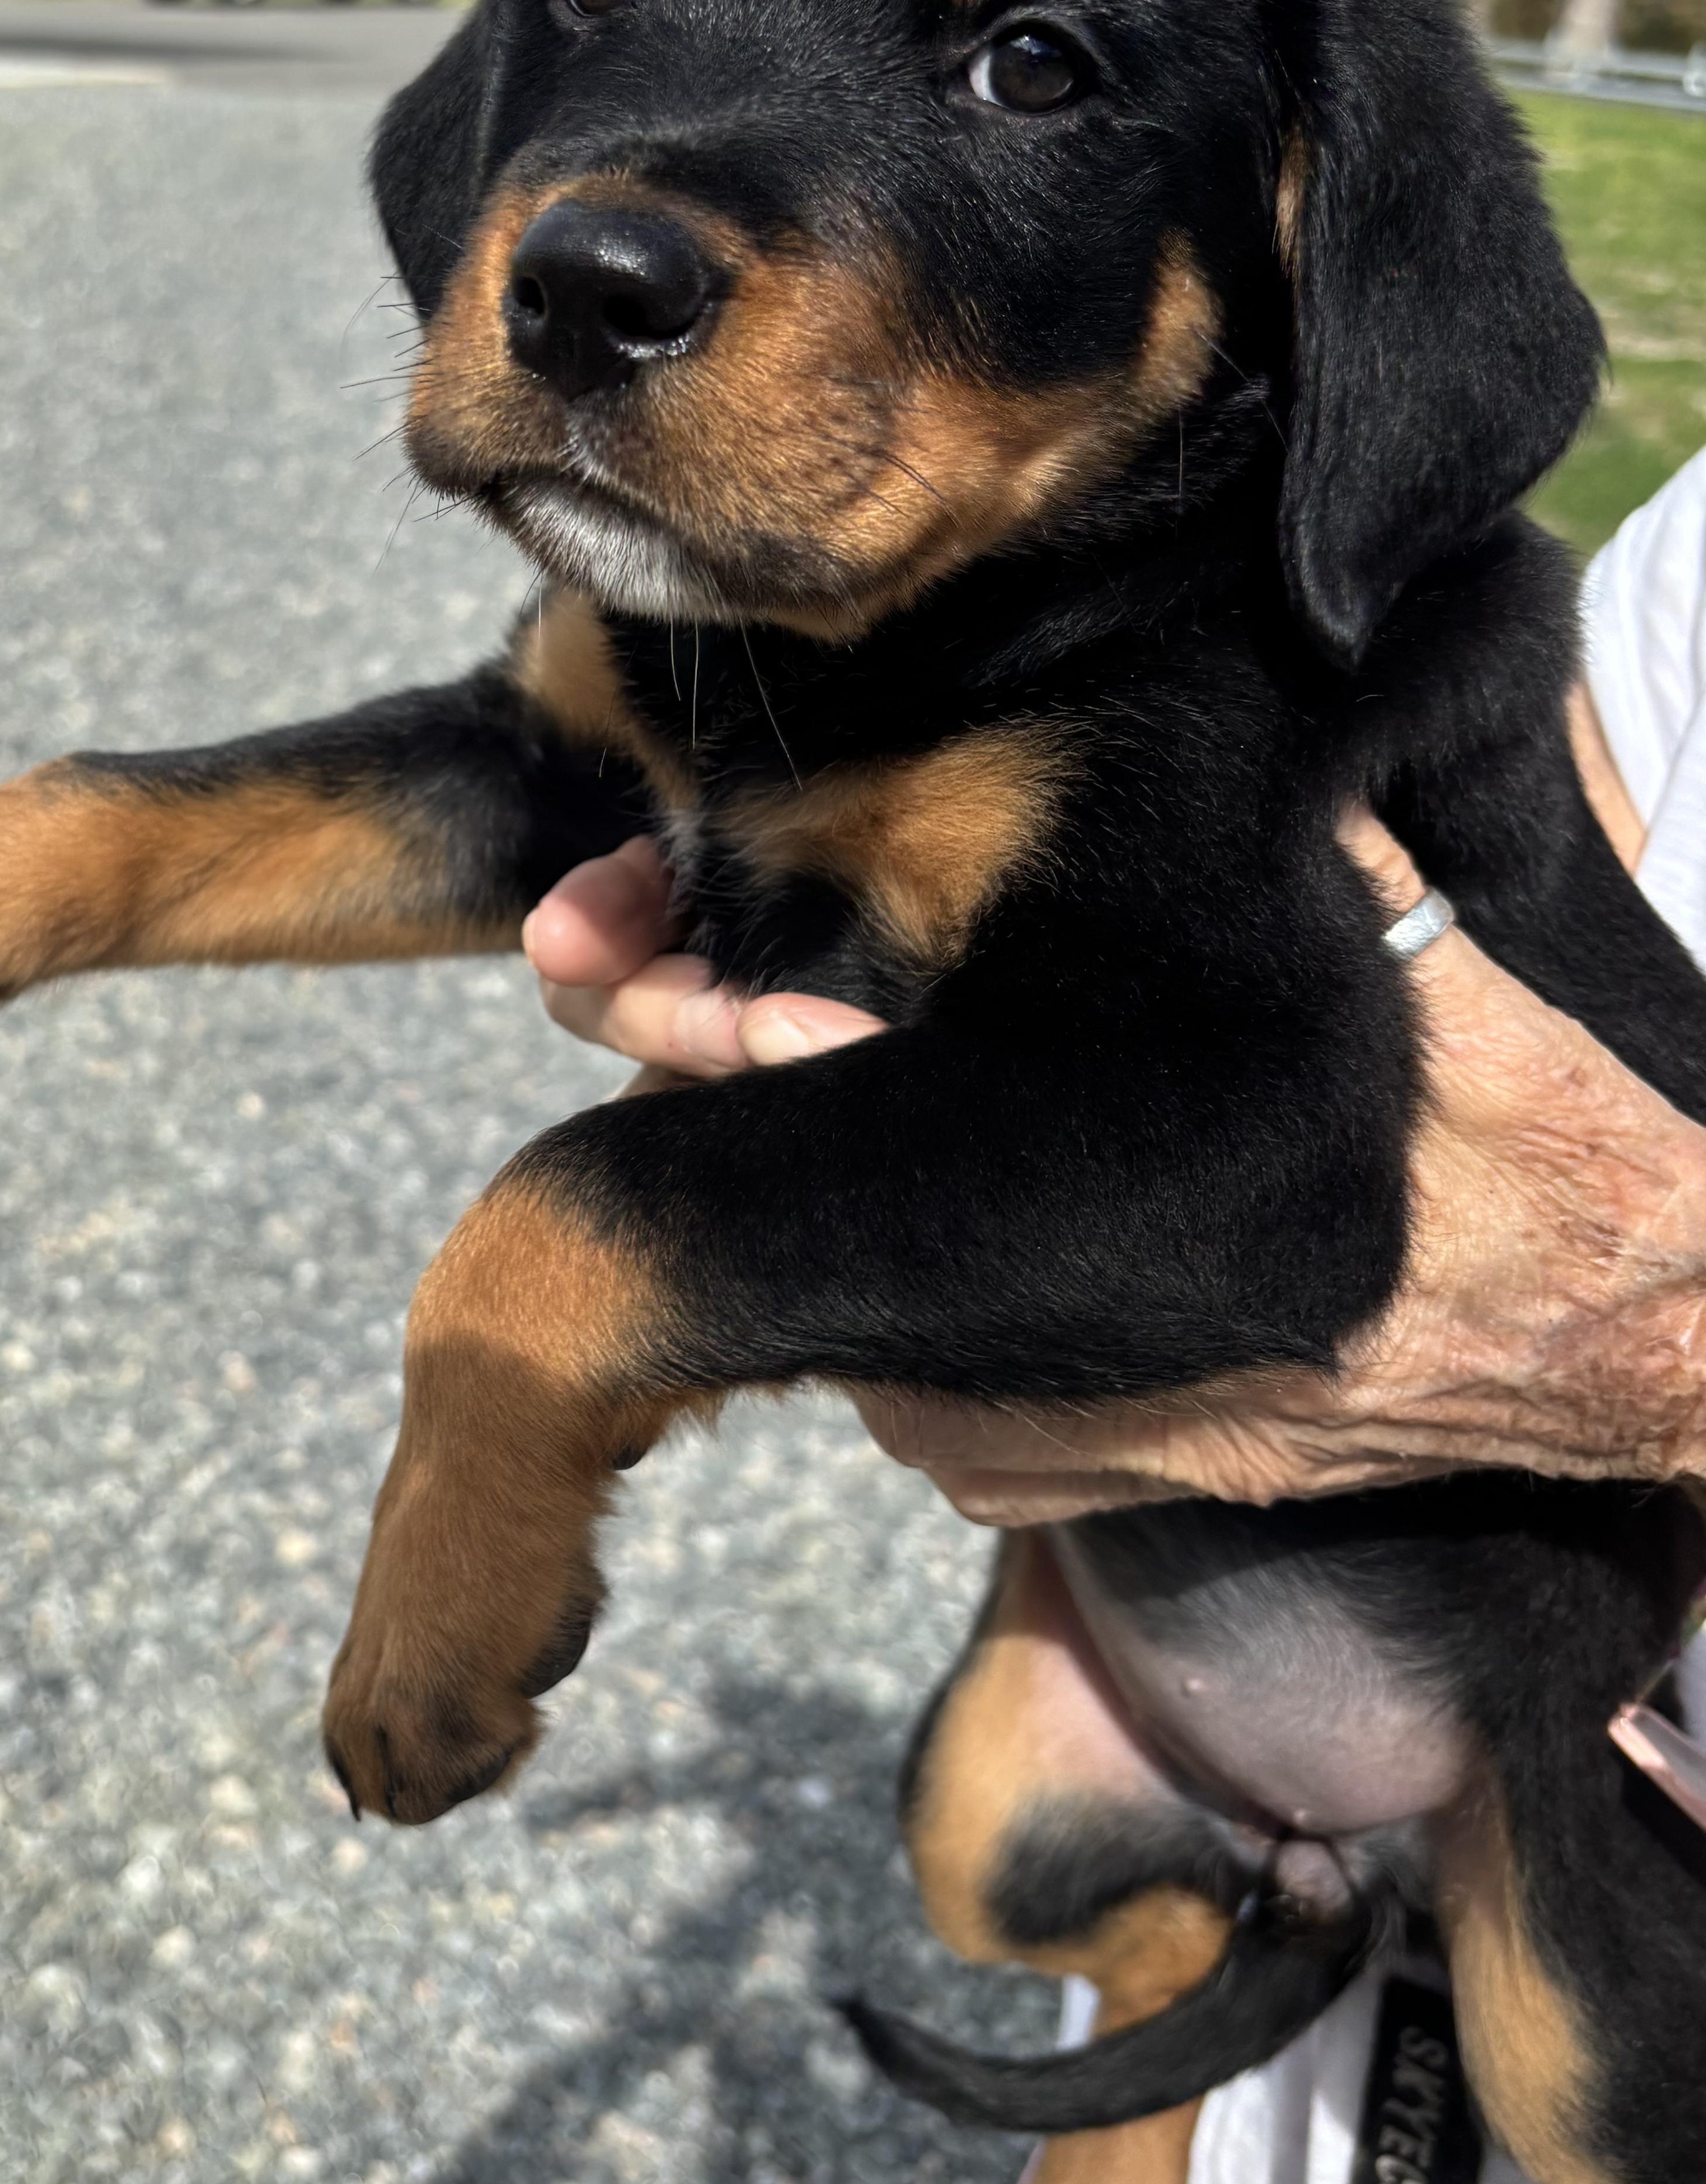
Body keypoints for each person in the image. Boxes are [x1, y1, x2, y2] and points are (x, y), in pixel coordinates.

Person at [519, 451, 1706, 2184]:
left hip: (1555, 1745)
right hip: (1274, 1717)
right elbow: (1527, 832)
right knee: (988, 1855)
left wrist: (1655, 1352)